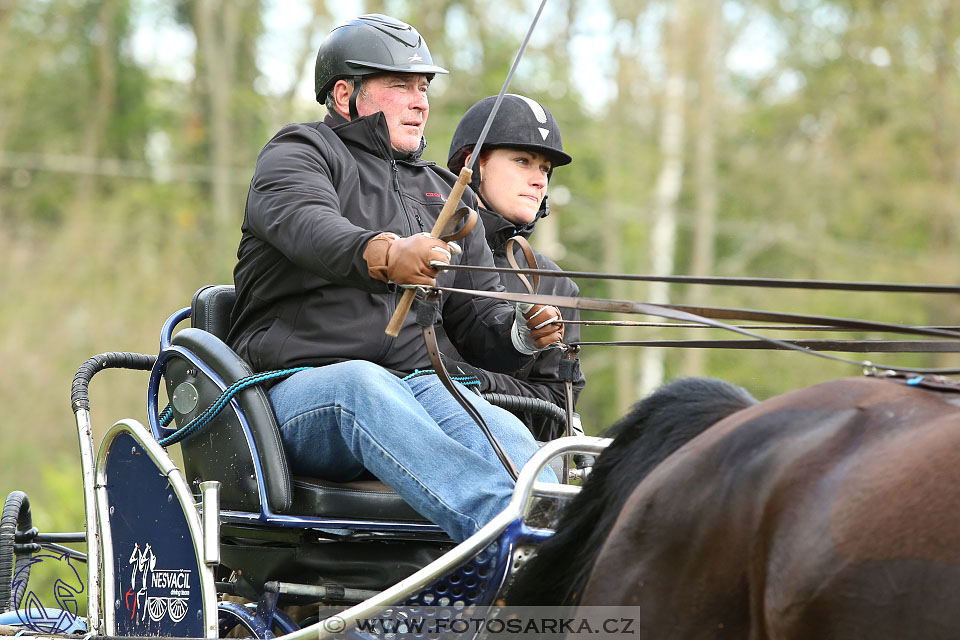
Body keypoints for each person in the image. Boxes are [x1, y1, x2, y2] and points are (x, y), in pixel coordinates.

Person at [226, 14, 563, 542]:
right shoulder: (299, 153)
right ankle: (510, 535)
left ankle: (555, 536)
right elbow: (310, 227)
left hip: (417, 388)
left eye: (423, 87)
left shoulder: (444, 191)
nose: (419, 101)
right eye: (399, 85)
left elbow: (477, 318)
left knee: (507, 436)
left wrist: (521, 329)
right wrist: (385, 253)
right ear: (345, 94)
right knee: (361, 385)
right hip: (292, 395)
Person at [442, 95, 586, 442]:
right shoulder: (426, 248)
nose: (539, 181)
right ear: (473, 165)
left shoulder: (556, 285)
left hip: (509, 457)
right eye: (523, 161)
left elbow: (556, 410)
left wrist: (473, 380)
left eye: (545, 170)